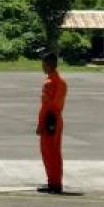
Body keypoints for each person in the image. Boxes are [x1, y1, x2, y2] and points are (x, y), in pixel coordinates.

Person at [37, 51, 68, 194]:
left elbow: (46, 106)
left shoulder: (49, 83)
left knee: (49, 152)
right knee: (54, 151)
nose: (42, 67)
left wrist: (41, 123)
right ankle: (54, 182)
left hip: (50, 119)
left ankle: (54, 183)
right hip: (57, 118)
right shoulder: (61, 81)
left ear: (48, 65)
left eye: (43, 64)